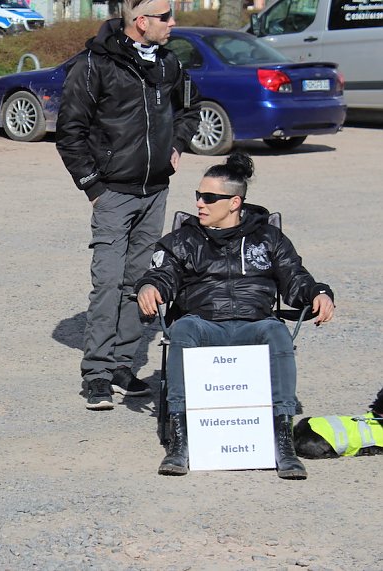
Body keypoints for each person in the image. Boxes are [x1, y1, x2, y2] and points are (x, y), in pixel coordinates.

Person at [135, 152, 335, 479]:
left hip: (255, 327)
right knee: (181, 330)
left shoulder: (269, 238)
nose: (200, 203)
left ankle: (282, 440)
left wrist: (319, 293)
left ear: (234, 202)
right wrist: (149, 287)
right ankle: (181, 440)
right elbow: (161, 273)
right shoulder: (183, 239)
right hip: (203, 326)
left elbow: (296, 277)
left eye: (209, 197)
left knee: (277, 333)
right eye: (198, 195)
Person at [55, 0, 201, 410]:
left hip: (155, 191)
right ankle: (97, 373)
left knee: (140, 282)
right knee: (107, 283)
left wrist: (178, 143)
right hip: (113, 192)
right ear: (141, 22)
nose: (174, 23)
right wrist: (94, 187)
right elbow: (70, 132)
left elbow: (192, 106)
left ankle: (122, 364)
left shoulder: (169, 63)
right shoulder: (94, 64)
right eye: (165, 17)